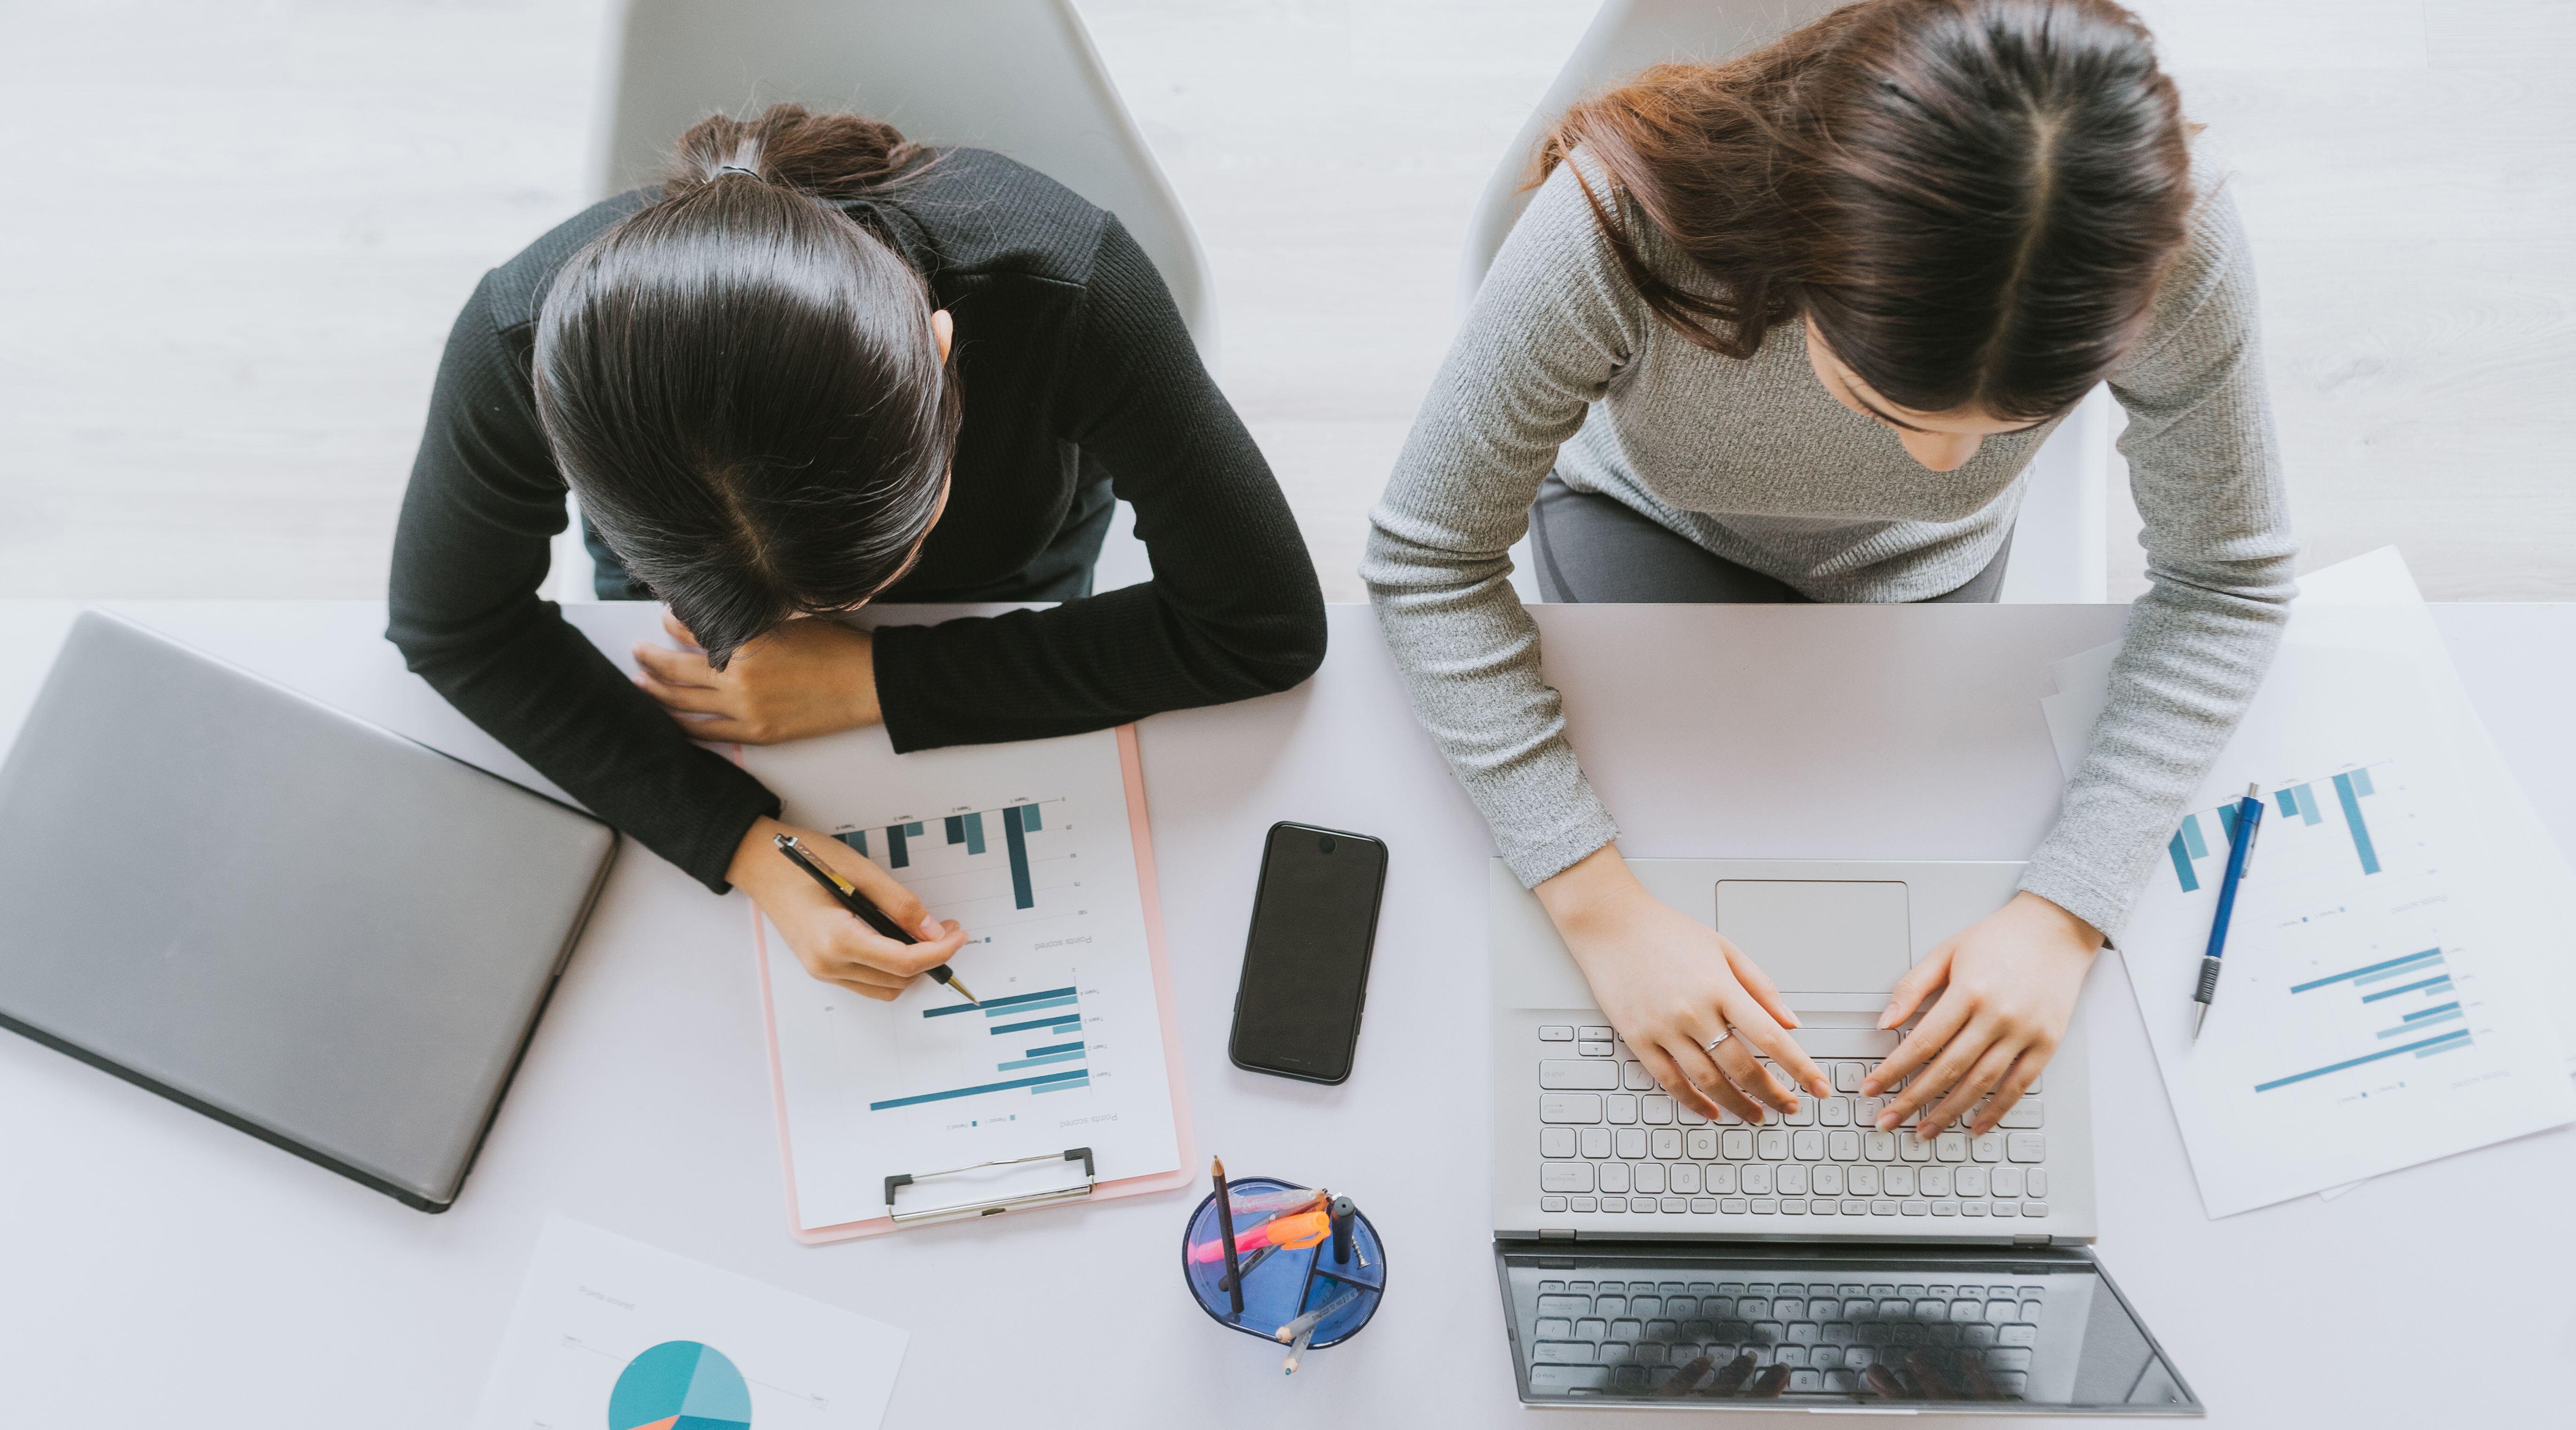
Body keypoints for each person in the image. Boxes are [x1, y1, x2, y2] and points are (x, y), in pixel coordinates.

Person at [1366, 0, 2294, 1141]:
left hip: (1928, 580)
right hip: (1651, 519)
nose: (1944, 463)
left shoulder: (2172, 248)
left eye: (2016, 420)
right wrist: (1597, 907)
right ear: (1797, 248)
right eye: (1886, 406)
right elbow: (1426, 557)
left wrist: (2066, 911)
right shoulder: (1621, 224)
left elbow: (2228, 582)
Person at [391, 104, 1326, 1000]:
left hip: (999, 592)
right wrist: (747, 845)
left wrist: (876, 677)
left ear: (942, 351)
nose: (799, 628)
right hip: (702, 687)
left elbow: (1264, 627)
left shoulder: (1065, 290)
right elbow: (453, 625)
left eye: (876, 564)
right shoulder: (517, 342)